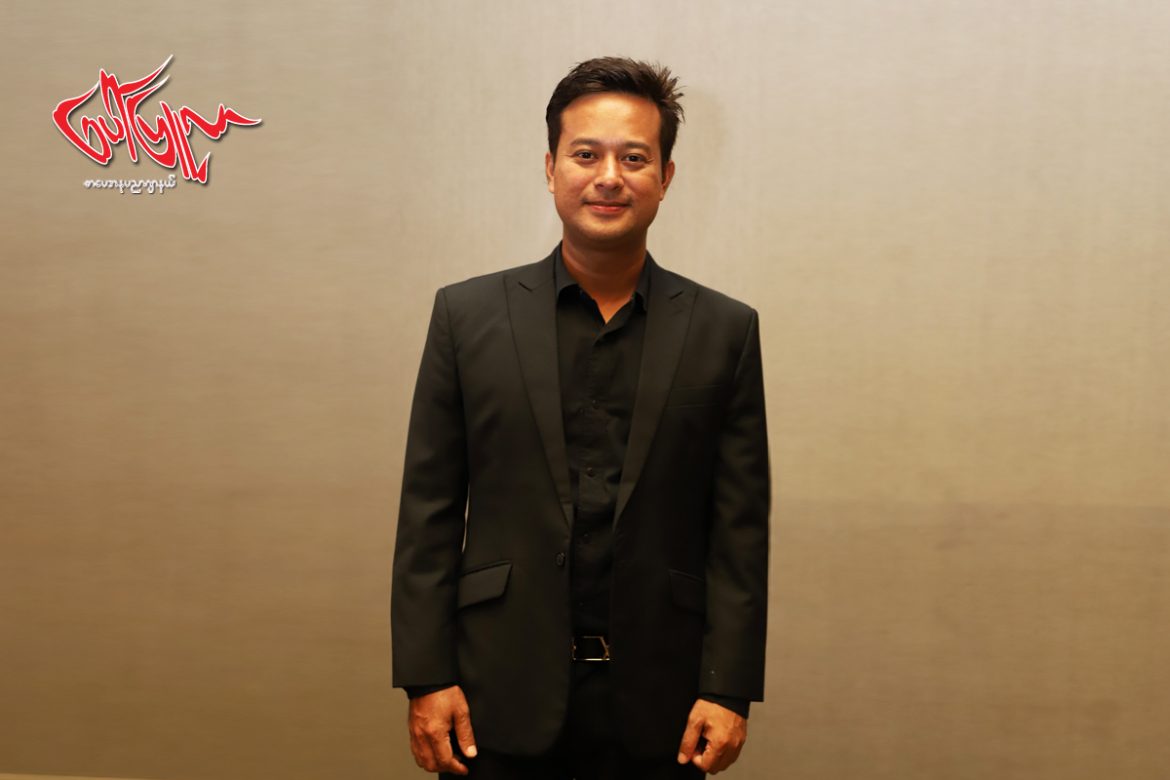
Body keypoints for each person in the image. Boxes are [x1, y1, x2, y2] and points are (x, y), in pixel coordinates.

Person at [391, 56, 770, 779]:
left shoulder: (725, 330)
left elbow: (739, 529)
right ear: (551, 167)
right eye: (586, 154)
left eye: (635, 158)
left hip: (664, 701)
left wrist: (728, 688)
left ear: (666, 176)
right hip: (492, 692)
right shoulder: (466, 317)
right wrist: (425, 677)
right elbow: (428, 512)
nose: (609, 177)